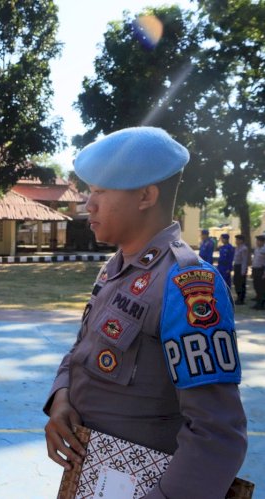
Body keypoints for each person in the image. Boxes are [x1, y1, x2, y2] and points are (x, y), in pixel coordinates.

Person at [43, 127, 247, 498]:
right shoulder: (115, 268)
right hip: (91, 479)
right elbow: (81, 351)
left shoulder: (186, 283)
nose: (89, 203)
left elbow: (217, 433)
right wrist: (61, 398)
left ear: (146, 196)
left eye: (101, 191)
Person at [233, 234, 249, 304]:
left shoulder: (244, 248)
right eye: (236, 240)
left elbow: (244, 260)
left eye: (237, 240)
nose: (236, 241)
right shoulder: (237, 248)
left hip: (241, 267)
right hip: (236, 267)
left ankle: (241, 299)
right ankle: (238, 297)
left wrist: (243, 271)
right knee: (236, 282)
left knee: (241, 283)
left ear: (241, 241)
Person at [250, 234, 265, 309]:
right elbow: (254, 260)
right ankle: (258, 301)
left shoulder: (264, 250)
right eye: (257, 241)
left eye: (258, 241)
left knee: (261, 288)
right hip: (255, 269)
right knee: (256, 286)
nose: (257, 242)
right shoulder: (257, 249)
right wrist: (252, 271)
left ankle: (261, 304)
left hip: (261, 270)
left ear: (262, 242)